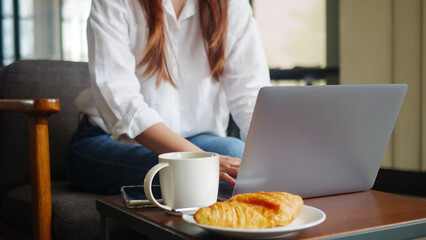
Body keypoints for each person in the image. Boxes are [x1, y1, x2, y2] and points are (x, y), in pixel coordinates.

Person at [67, 0, 270, 195]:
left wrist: (275, 161)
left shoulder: (232, 5)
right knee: (210, 176)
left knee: (237, 154)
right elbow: (122, 102)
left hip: (197, 140)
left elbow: (251, 98)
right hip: (108, 143)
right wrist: (200, 161)